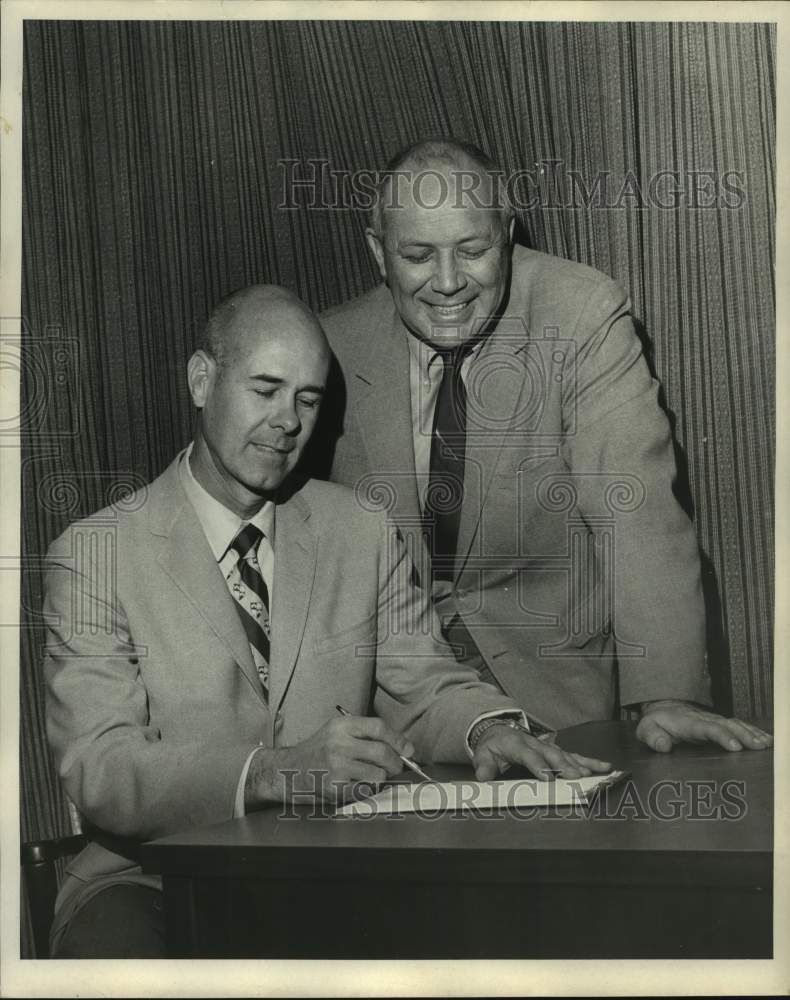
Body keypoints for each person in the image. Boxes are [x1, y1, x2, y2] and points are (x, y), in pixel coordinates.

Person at [43, 284, 610, 958]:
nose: (288, 421)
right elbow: (103, 768)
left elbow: (423, 686)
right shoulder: (94, 553)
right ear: (202, 380)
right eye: (265, 389)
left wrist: (486, 726)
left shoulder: (359, 530)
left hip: (330, 873)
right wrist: (271, 771)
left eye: (307, 400)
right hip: (148, 882)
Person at [319, 137, 772, 755]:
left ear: (507, 233)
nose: (448, 283)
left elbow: (634, 510)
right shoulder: (331, 346)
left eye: (473, 251)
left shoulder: (581, 311)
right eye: (419, 255)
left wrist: (668, 694)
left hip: (556, 706)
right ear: (378, 252)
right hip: (392, 724)